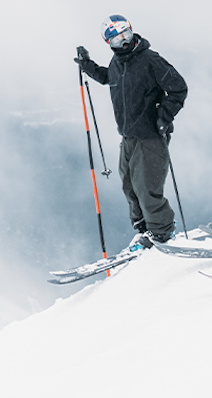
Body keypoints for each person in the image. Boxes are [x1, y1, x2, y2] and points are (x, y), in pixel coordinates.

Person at [76, 15, 188, 247]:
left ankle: (162, 234)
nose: (124, 42)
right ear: (109, 44)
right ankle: (144, 230)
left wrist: (163, 118)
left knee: (147, 187)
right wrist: (87, 65)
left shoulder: (150, 60)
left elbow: (178, 88)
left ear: (132, 31)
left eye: (125, 35)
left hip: (151, 136)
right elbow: (108, 77)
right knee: (129, 185)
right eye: (117, 40)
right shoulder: (118, 64)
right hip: (128, 136)